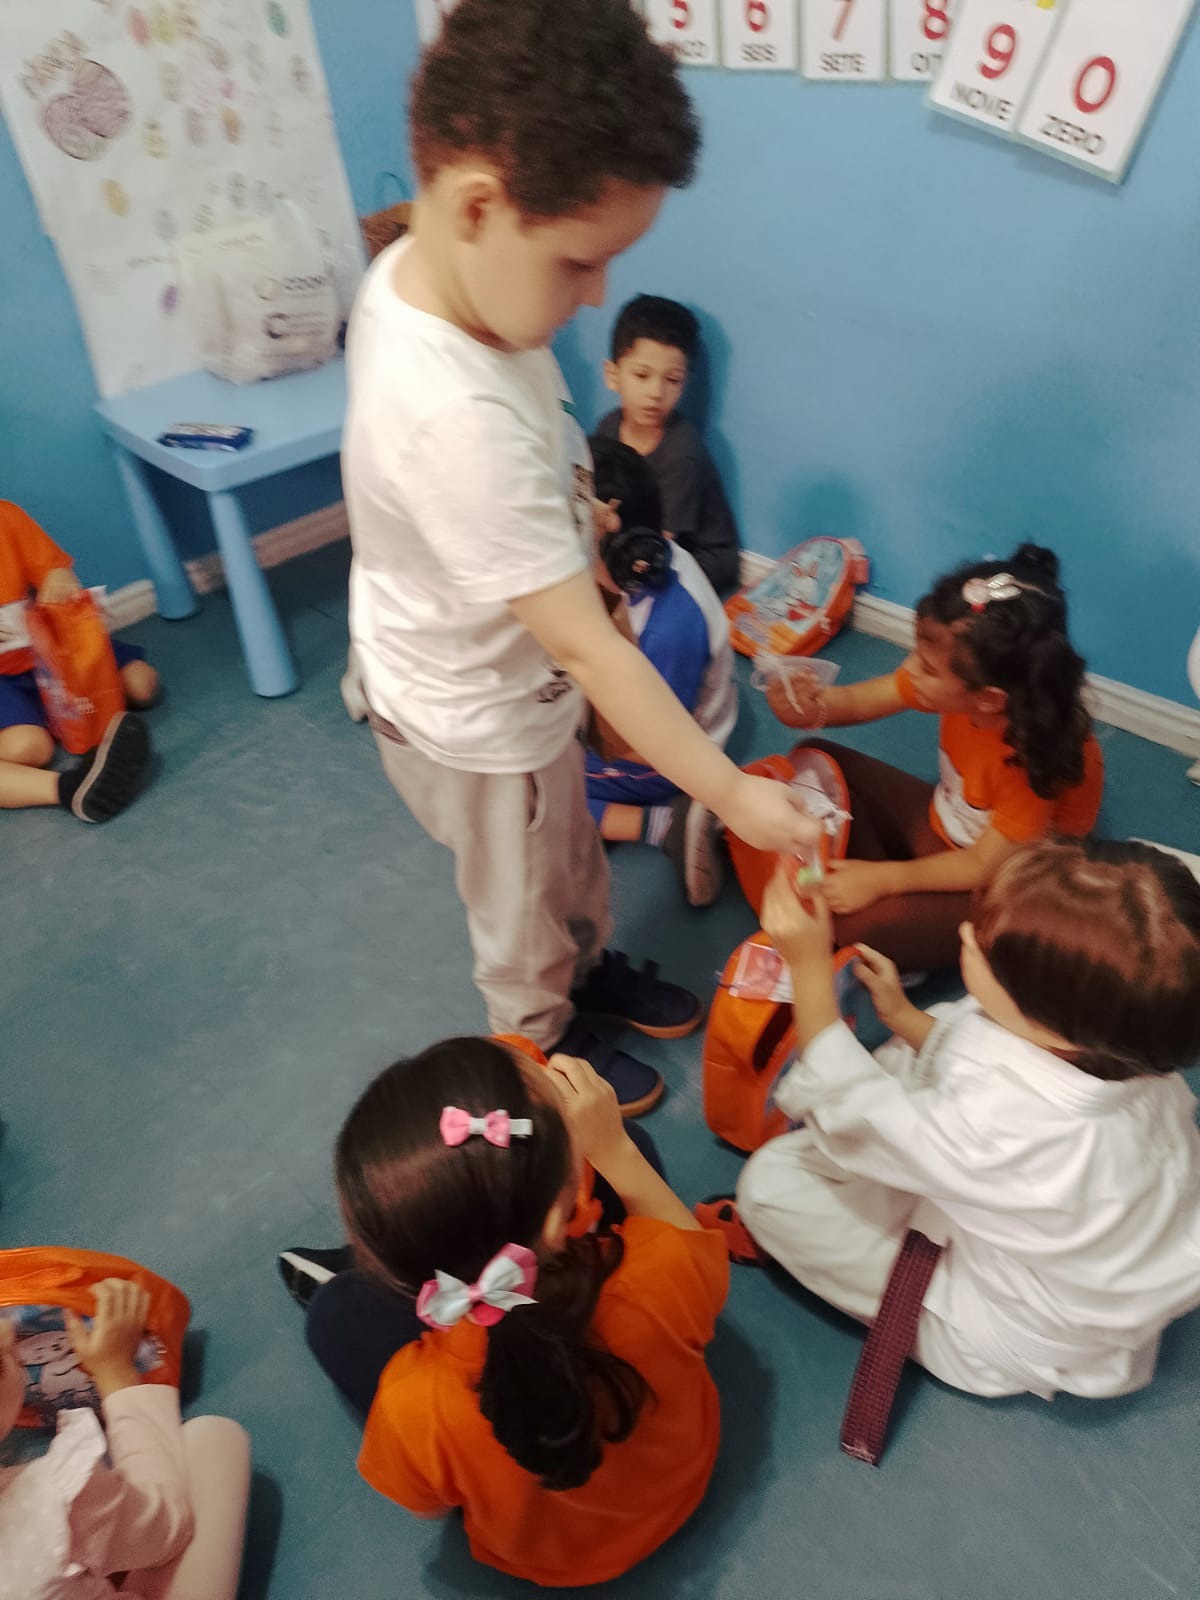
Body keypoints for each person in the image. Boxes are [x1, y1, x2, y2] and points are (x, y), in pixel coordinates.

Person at [342, 0, 816, 1111]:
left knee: (570, 857)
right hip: (473, 723)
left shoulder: (468, 286)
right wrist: (732, 796)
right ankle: (542, 1046)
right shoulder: (449, 414)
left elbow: (550, 482)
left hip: (525, 689)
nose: (596, 293)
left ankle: (588, 967)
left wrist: (588, 543)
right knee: (517, 909)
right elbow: (596, 654)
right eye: (580, 262)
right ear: (476, 206)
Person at [702, 838, 1200, 1403]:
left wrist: (808, 967)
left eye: (984, 946)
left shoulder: (1004, 1128)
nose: (965, 932)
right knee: (929, 1039)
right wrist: (904, 1017)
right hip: (1077, 1259)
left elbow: (847, 1109)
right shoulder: (1135, 1055)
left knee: (769, 1186)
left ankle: (935, 1329)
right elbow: (983, 1065)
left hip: (1006, 1332)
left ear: (1051, 1027)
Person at [279, 1035, 729, 1588]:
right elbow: (692, 1254)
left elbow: (428, 1507)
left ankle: (388, 1259)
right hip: (685, 1481)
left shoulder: (416, 1404)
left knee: (335, 1312)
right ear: (560, 1222)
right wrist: (612, 1148)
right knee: (634, 1144)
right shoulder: (658, 1272)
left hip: (551, 1561)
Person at [728, 543, 1103, 973]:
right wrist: (805, 708)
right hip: (947, 828)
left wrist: (885, 880)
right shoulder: (966, 688)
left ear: (988, 699)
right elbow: (857, 702)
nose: (910, 669)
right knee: (817, 757)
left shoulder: (1031, 760)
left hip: (1003, 887)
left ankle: (882, 908)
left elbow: (983, 865)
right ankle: (865, 884)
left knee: (856, 923)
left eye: (926, 667)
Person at [0, 1278, 251, 1599]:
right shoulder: (50, 1499)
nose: (7, 1330)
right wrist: (115, 1372)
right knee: (213, 1438)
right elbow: (168, 1527)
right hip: (150, 1529)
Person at [585, 435, 736, 907]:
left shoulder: (667, 629)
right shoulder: (650, 560)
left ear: (623, 552)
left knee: (525, 786)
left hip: (670, 758)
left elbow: (654, 743)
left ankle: (662, 823)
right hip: (655, 722)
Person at [1, 500, 154, 823]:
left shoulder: (6, 517)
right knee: (28, 748)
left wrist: (57, 582)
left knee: (142, 685)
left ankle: (57, 719)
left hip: (49, 651)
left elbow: (55, 571)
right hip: (5, 679)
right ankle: (72, 787)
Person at [595, 294, 740, 595]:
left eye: (672, 380)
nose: (656, 393)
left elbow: (662, 545)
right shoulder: (608, 427)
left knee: (655, 587)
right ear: (613, 375)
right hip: (638, 535)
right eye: (642, 375)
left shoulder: (681, 452)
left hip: (698, 556)